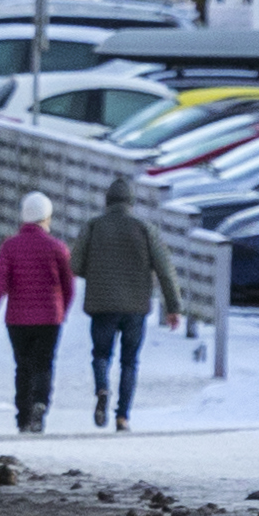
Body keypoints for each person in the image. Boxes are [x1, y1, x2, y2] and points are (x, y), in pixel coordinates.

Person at [74, 173, 180, 429]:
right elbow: (165, 269)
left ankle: (102, 390)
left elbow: (75, 264)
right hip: (135, 307)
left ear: (107, 201)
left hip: (102, 305)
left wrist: (97, 272)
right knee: (130, 362)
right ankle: (123, 416)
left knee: (101, 354)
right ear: (131, 202)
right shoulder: (145, 229)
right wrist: (173, 307)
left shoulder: (93, 226)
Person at [0, 185, 77, 434]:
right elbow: (69, 286)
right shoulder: (57, 247)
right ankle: (40, 405)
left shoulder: (10, 247)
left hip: (18, 319)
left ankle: (23, 415)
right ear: (46, 217)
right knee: (44, 364)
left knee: (22, 366)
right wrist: (61, 312)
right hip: (49, 318)